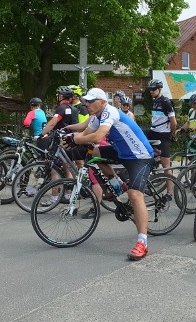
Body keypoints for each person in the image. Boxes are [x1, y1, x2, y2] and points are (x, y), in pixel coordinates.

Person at [66, 88, 154, 260]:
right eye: (86, 101)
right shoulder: (97, 116)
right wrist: (67, 133)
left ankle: (142, 242)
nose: (87, 104)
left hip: (139, 156)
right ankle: (118, 185)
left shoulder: (110, 112)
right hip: (121, 151)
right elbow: (85, 133)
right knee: (92, 153)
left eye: (91, 101)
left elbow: (98, 137)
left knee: (135, 195)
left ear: (103, 102)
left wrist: (75, 139)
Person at [144, 79, 176, 200]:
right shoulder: (154, 101)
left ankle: (169, 192)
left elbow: (174, 122)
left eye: (154, 89)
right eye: (150, 89)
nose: (151, 91)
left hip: (163, 134)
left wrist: (170, 134)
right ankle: (152, 164)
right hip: (153, 131)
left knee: (166, 164)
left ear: (159, 89)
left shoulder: (166, 102)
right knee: (138, 136)